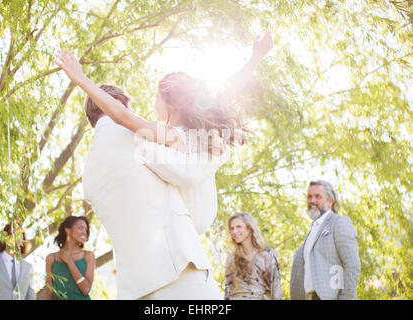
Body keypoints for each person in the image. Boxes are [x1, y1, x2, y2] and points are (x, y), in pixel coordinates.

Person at [54, 31, 273, 299]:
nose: (150, 106)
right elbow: (226, 95)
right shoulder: (187, 136)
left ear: (171, 102)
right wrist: (255, 58)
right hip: (185, 243)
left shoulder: (165, 136)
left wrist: (80, 78)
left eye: (156, 98)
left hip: (160, 264)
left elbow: (121, 116)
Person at [290, 180, 361, 300]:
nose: (312, 200)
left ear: (330, 201)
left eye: (318, 196)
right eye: (309, 196)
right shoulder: (312, 231)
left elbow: (353, 265)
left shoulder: (339, 222)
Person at [224, 212, 282, 300]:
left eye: (239, 227)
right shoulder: (231, 258)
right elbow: (228, 289)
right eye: (232, 228)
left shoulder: (266, 255)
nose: (234, 231)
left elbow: (276, 288)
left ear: (250, 228)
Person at [44, 216, 95, 300]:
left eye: (86, 230)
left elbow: (86, 289)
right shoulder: (51, 258)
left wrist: (69, 261)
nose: (84, 232)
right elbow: (49, 293)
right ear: (67, 230)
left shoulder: (88, 256)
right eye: (80, 228)